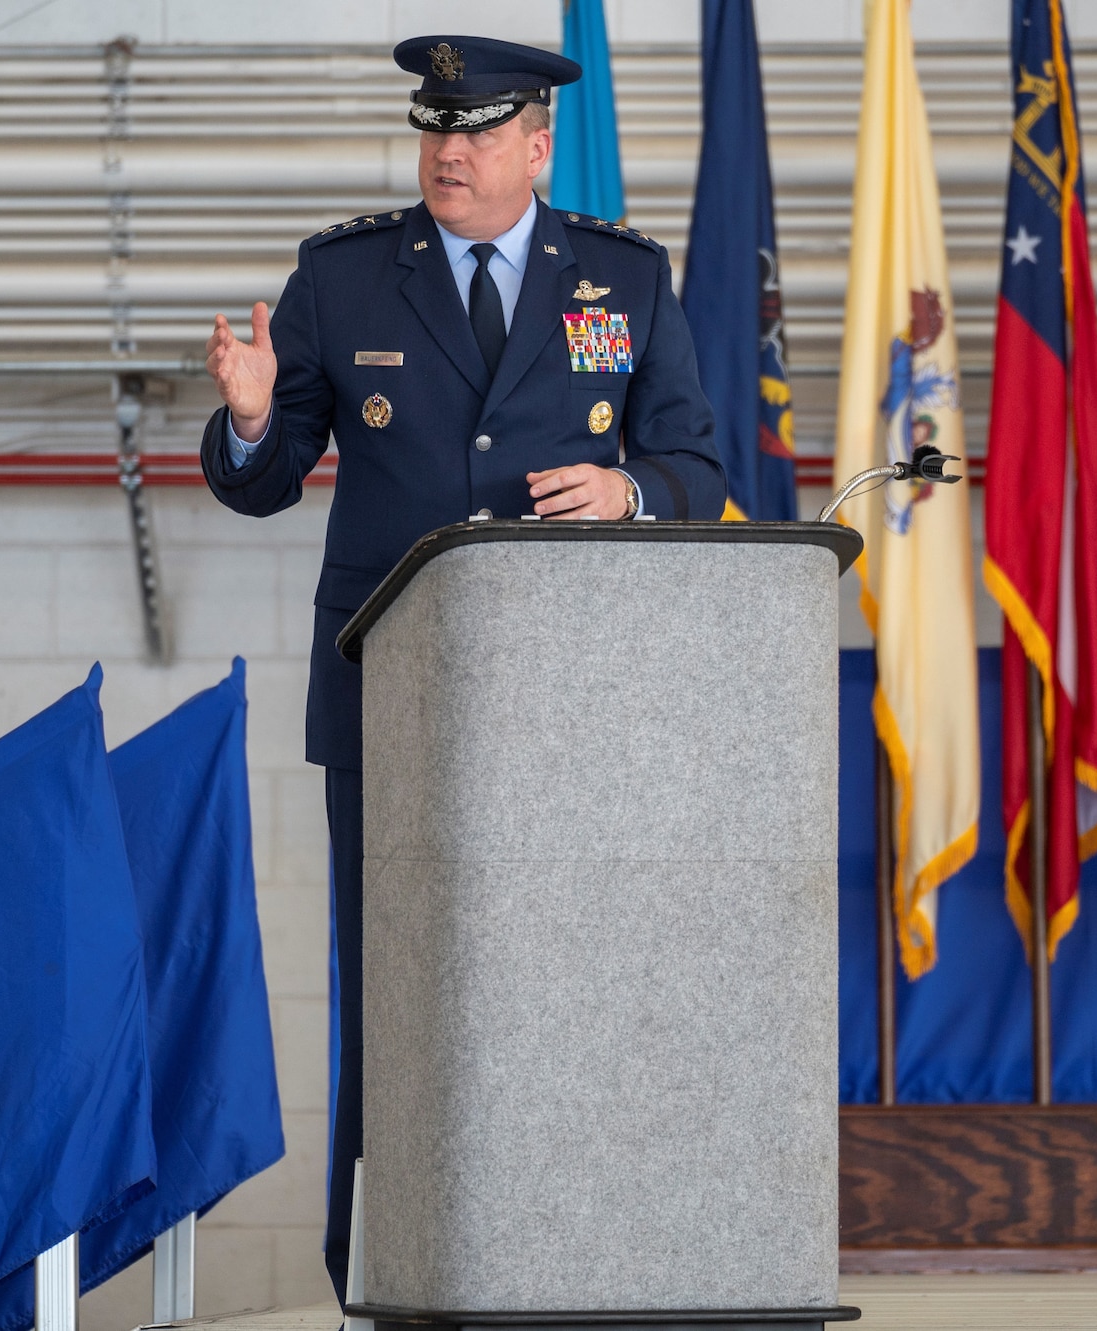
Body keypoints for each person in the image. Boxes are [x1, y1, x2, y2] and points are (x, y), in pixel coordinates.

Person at [198, 33, 726, 1306]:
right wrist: (257, 415)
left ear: (536, 147)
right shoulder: (344, 280)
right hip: (396, 703)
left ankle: (578, 1255)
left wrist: (628, 489)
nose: (448, 153)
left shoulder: (623, 277)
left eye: (478, 133)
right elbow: (261, 486)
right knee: (392, 992)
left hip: (575, 709)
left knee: (574, 985)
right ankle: (384, 1266)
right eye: (435, 130)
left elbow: (700, 474)